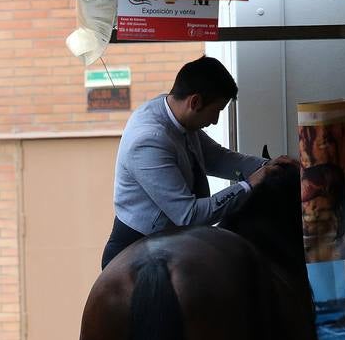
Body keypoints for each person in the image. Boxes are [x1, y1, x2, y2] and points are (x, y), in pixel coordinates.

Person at [102, 56, 280, 268]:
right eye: (216, 111)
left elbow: (217, 157)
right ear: (195, 101)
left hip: (172, 241)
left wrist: (268, 166)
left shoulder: (176, 114)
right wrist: (248, 185)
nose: (215, 121)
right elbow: (190, 215)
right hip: (133, 252)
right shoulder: (148, 141)